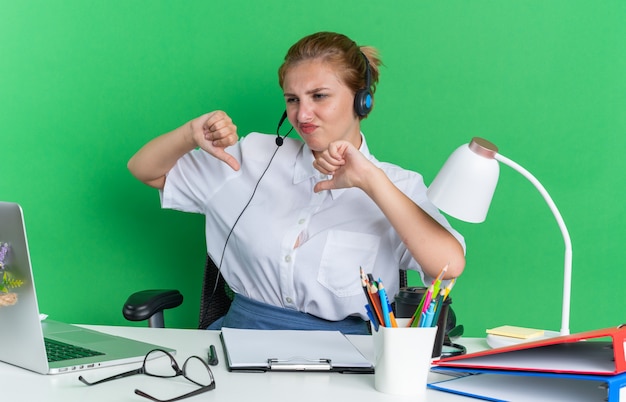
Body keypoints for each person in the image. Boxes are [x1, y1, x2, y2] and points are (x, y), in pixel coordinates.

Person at [127, 31, 466, 335]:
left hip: (351, 359)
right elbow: (146, 170)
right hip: (242, 343)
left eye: (319, 96)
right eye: (293, 99)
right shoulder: (252, 158)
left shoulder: (396, 183)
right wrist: (189, 134)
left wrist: (370, 181)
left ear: (363, 101)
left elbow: (448, 266)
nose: (302, 115)